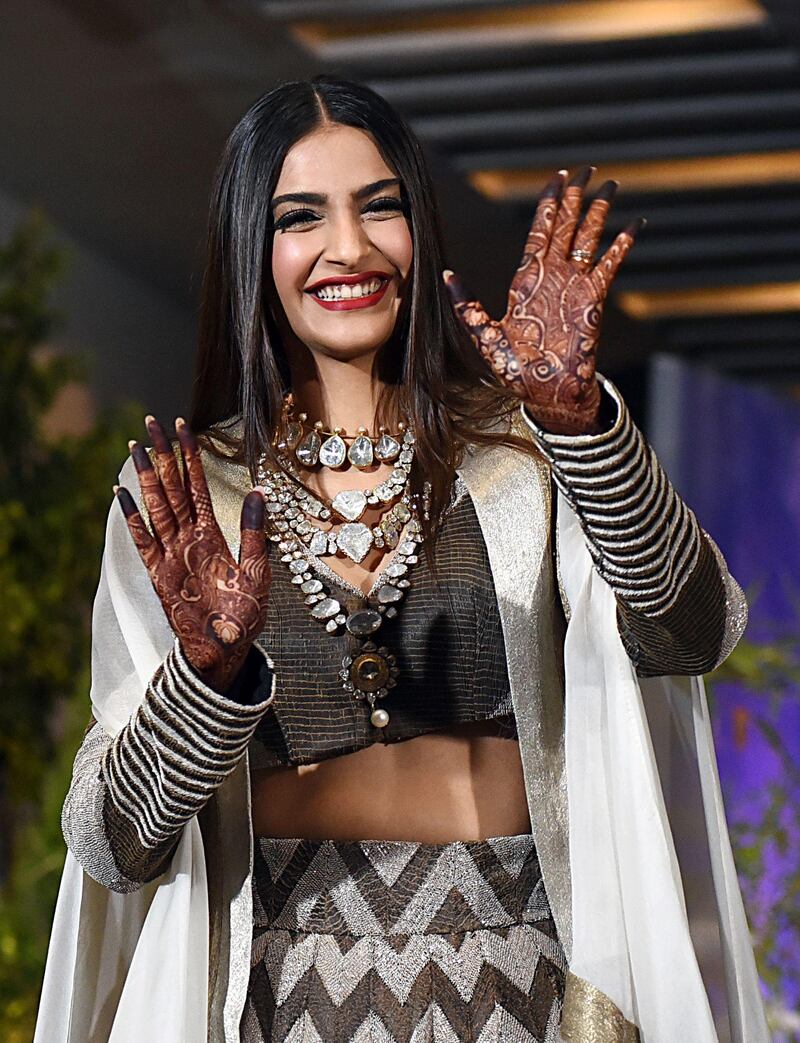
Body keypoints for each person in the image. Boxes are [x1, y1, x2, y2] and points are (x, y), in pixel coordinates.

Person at [35, 77, 768, 1043]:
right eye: (303, 218)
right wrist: (205, 679)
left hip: (524, 984)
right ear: (252, 250)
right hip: (280, 991)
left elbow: (693, 628)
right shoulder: (188, 501)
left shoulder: (526, 455)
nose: (350, 248)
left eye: (379, 206)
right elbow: (112, 842)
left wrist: (583, 429)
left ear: (419, 229)